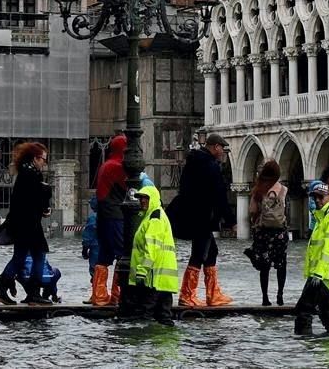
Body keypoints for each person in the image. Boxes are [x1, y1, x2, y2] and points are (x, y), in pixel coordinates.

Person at [168, 132, 233, 307]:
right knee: (199, 254)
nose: (223, 152)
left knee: (211, 252)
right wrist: (230, 220)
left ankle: (213, 294)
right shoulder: (211, 166)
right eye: (222, 149)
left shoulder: (193, 162)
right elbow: (219, 195)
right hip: (202, 217)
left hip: (193, 214)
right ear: (215, 147)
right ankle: (187, 295)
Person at [0, 141, 52, 306]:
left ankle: (1, 290)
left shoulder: (25, 172)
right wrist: (45, 200)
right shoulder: (32, 174)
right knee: (39, 255)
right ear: (35, 158)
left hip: (21, 223)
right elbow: (33, 198)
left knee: (19, 257)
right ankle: (33, 293)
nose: (44, 163)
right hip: (29, 224)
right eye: (43, 159)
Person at [294, 181, 329, 335]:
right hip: (326, 275)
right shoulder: (323, 217)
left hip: (323, 274)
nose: (317, 200)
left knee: (304, 310)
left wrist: (318, 273)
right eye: (314, 197)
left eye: (320, 197)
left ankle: (304, 346)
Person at [128, 185, 179, 326]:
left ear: (154, 199)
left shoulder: (155, 218)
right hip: (162, 277)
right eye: (141, 198)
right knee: (163, 317)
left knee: (145, 315)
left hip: (154, 277)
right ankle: (164, 342)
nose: (142, 201)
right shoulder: (154, 215)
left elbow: (151, 249)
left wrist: (142, 272)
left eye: (146, 198)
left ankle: (146, 344)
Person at [90, 134, 127, 307]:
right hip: (115, 215)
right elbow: (132, 184)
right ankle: (118, 294)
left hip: (105, 215)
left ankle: (99, 295)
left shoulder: (107, 165)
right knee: (122, 253)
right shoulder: (117, 166)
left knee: (104, 255)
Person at [246, 159, 289, 306]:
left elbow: (252, 210)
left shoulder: (259, 190)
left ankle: (265, 298)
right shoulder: (283, 190)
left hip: (263, 232)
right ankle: (280, 295)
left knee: (265, 266)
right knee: (281, 264)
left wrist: (255, 219)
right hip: (280, 233)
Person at [80, 194, 99, 302]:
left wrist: (84, 249)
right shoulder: (107, 216)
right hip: (106, 248)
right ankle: (102, 294)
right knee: (102, 271)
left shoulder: (93, 218)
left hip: (95, 248)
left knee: (95, 271)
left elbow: (88, 235)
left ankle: (95, 295)